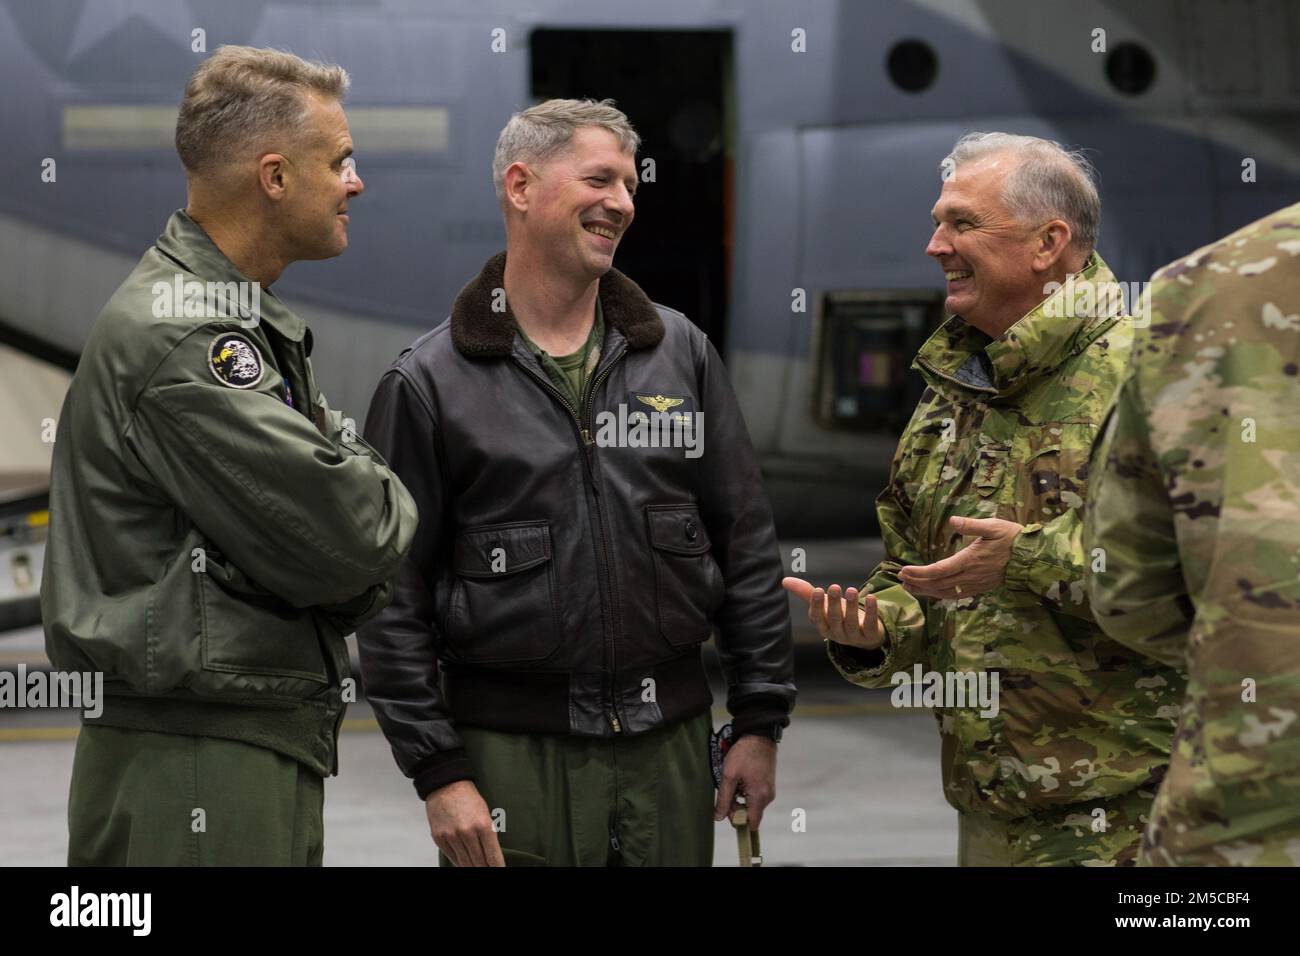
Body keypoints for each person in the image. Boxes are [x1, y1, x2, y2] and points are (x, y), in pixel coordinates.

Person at [358, 99, 795, 867]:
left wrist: (758, 723)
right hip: (513, 760)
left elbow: (748, 546)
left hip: (669, 750)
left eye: (630, 184)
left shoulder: (680, 354)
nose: (623, 202)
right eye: (599, 179)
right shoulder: (429, 383)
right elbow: (391, 599)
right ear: (521, 187)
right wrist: (439, 772)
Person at [41, 45, 417, 866]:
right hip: (197, 765)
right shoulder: (186, 336)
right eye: (341, 162)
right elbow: (358, 534)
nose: (356, 184)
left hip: (228, 741)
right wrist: (349, 478)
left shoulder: (228, 317)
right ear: (275, 177)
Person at [784, 132, 1184, 865]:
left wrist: (1025, 559)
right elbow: (916, 568)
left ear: (1048, 242)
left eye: (963, 224)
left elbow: (1200, 575)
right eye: (939, 222)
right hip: (989, 809)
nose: (936, 246)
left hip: (1132, 818)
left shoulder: (1151, 376)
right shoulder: (955, 386)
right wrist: (880, 626)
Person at [1085, 201, 1300, 866]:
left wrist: (1250, 649)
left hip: (1249, 823)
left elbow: (1128, 582)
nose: (937, 245)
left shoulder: (1201, 286)